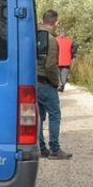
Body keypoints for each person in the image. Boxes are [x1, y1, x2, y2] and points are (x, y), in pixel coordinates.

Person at [36, 9, 71, 159]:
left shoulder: (33, 35)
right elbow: (50, 66)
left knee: (39, 116)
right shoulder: (51, 40)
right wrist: (56, 83)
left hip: (32, 82)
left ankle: (40, 147)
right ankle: (55, 149)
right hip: (45, 82)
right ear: (56, 23)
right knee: (55, 114)